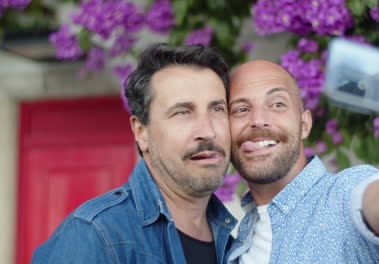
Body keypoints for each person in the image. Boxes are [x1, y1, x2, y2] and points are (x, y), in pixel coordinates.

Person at [226, 42, 379, 263]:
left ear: (305, 124)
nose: (258, 120)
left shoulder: (343, 195)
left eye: (277, 104)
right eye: (241, 109)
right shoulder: (238, 241)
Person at [32, 44, 237, 263]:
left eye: (217, 109)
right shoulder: (97, 235)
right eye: (182, 112)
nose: (207, 131)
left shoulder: (234, 247)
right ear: (141, 132)